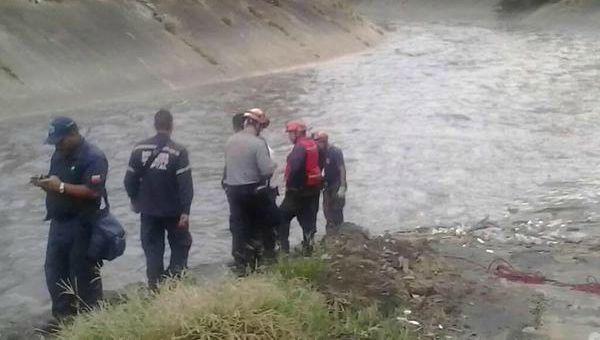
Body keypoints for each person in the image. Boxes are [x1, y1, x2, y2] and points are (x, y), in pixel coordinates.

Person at [32, 117, 107, 320]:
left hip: (83, 224)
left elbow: (93, 192)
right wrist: (46, 184)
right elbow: (56, 181)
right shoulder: (58, 155)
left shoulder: (93, 157)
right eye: (54, 142)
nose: (57, 145)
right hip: (58, 223)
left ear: (73, 134)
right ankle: (63, 318)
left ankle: (93, 319)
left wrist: (61, 187)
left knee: (83, 273)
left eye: (61, 140)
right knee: (54, 271)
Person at [124, 109, 193, 289]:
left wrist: (134, 199)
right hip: (174, 211)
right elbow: (185, 185)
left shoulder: (139, 149)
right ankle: (175, 284)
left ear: (155, 125)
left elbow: (129, 179)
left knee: (153, 251)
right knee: (180, 246)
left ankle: (154, 288)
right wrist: (186, 211)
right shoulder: (178, 151)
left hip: (148, 211)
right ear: (171, 126)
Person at [223, 108, 276, 274]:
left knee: (238, 226)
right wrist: (274, 166)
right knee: (256, 226)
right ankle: (256, 261)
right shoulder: (258, 143)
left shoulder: (230, 141)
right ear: (257, 125)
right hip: (252, 190)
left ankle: (240, 261)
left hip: (232, 191)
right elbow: (267, 170)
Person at [279, 120, 322, 254]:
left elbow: (295, 168)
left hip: (298, 191)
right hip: (313, 190)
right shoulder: (312, 144)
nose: (289, 137)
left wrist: (290, 186)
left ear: (297, 133)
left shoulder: (299, 147)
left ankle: (283, 249)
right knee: (308, 221)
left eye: (290, 133)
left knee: (281, 217)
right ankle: (308, 248)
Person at [314, 131, 347, 232]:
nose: (317, 145)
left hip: (337, 184)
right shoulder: (322, 152)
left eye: (319, 142)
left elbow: (342, 169)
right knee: (327, 210)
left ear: (324, 141)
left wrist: (342, 185)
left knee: (337, 210)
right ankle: (330, 231)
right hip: (327, 185)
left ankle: (339, 231)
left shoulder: (335, 151)